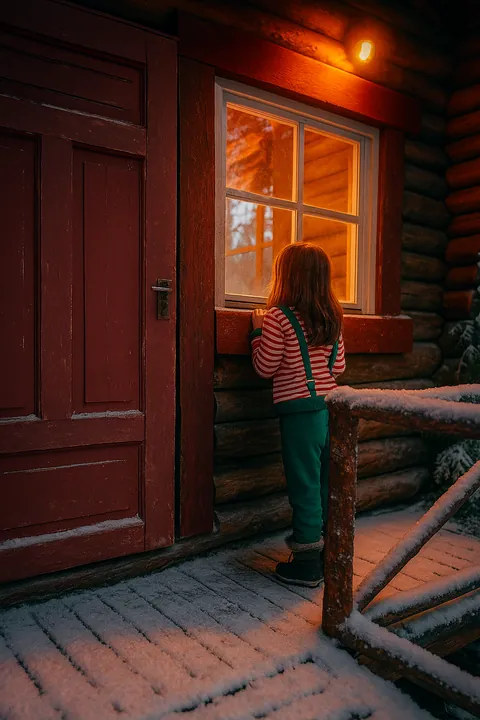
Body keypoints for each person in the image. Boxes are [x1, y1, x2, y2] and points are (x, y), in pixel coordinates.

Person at [250, 242, 346, 587]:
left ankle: (306, 563)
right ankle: (326, 552)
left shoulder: (278, 317)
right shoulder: (333, 318)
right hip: (331, 409)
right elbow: (339, 367)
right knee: (324, 483)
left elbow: (264, 366)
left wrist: (258, 330)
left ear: (286, 277)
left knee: (304, 485)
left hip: (301, 415)